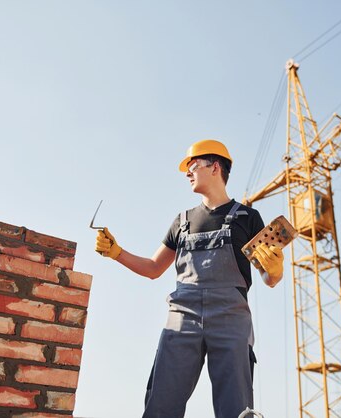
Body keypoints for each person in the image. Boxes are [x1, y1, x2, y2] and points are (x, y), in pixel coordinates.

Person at [95, 139, 284, 418]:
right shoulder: (182, 221)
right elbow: (152, 268)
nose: (187, 173)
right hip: (183, 316)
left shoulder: (248, 217)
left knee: (236, 406)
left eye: (192, 165)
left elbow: (269, 278)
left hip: (231, 318)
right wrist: (116, 252)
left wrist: (276, 270)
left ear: (215, 167)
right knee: (161, 402)